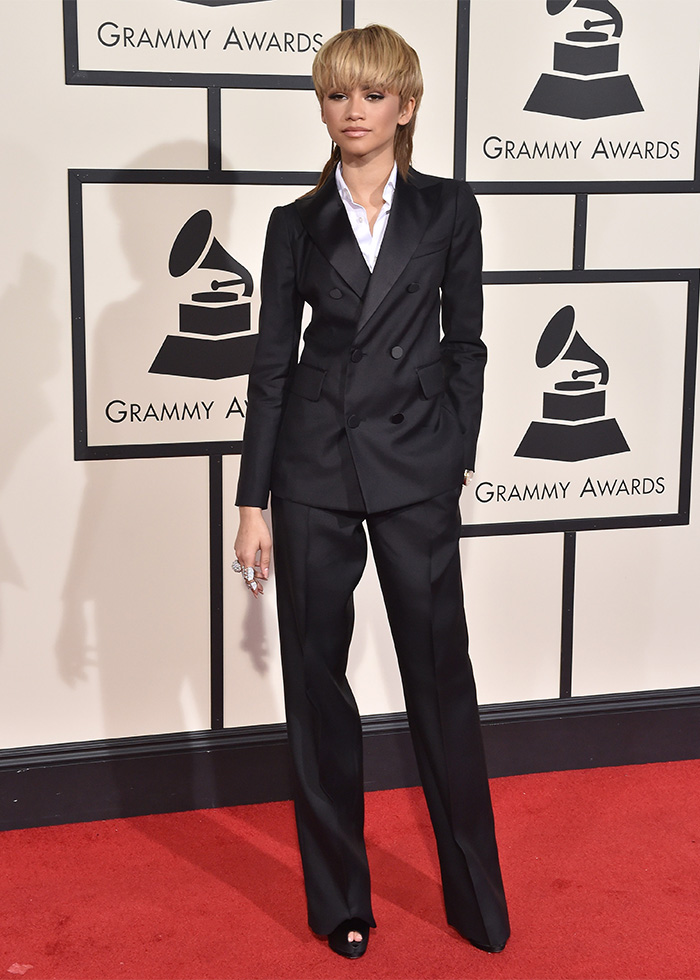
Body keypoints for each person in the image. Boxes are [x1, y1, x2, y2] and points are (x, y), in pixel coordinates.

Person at [233, 24, 510, 960]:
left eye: (370, 94)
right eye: (335, 95)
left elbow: (465, 341)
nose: (351, 111)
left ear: (407, 104)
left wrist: (456, 451)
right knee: (317, 687)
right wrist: (252, 500)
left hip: (415, 469)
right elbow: (272, 366)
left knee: (441, 680)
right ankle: (339, 899)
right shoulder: (293, 224)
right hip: (312, 469)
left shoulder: (448, 210)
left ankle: (476, 899)